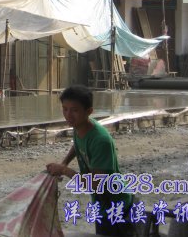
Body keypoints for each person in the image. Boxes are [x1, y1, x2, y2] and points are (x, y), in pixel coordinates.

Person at [46, 85, 134, 236]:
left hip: (114, 203)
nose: (68, 115)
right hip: (101, 202)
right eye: (65, 109)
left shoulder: (100, 140)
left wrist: (64, 170)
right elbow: (77, 145)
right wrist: (64, 162)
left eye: (74, 110)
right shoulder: (79, 126)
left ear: (89, 111)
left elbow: (94, 184)